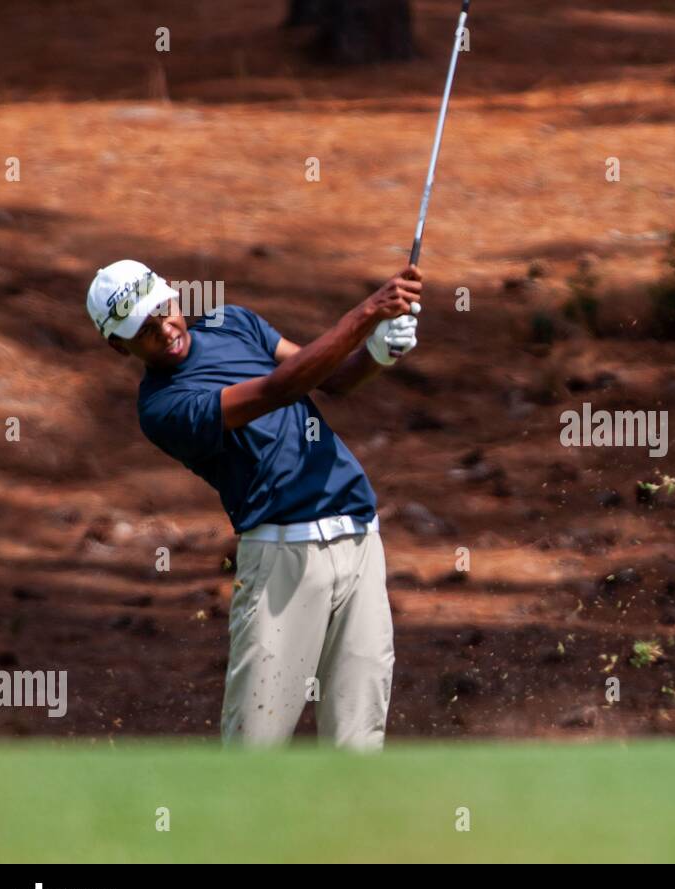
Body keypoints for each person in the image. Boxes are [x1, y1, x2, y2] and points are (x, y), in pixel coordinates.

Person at [84, 259, 423, 750]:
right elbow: (278, 388)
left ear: (174, 294)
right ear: (120, 345)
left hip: (358, 537)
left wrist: (379, 350)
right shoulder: (163, 408)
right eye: (145, 328)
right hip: (280, 564)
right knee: (255, 747)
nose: (166, 329)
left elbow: (333, 378)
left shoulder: (233, 323)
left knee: (358, 742)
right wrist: (368, 313)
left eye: (164, 309)